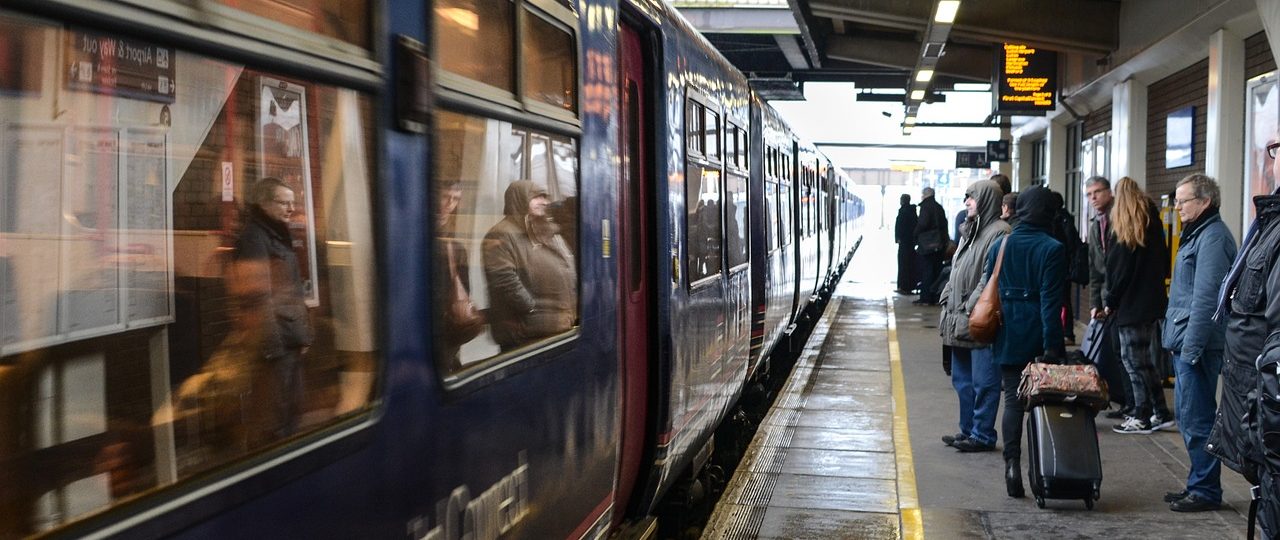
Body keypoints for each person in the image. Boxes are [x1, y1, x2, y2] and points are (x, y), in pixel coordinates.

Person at [1208, 138, 1280, 537]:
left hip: (1268, 417)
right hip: (1261, 419)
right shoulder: (1269, 223)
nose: (1271, 158)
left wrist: (1261, 423)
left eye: (1276, 147)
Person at [1160, 174, 1236, 512]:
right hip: (1188, 340)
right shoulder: (1200, 234)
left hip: (1199, 345)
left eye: (1183, 200)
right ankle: (1198, 484)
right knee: (1189, 417)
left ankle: (1205, 490)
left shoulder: (1213, 238)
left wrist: (1190, 350)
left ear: (1204, 202)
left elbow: (1207, 299)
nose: (1177, 206)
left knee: (1197, 419)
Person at [984, 186, 1065, 498]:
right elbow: (1050, 303)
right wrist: (1052, 347)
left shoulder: (1000, 245)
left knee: (1012, 401)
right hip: (1035, 334)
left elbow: (990, 287)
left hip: (1005, 332)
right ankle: (1039, 470)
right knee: (1040, 406)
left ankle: (1011, 466)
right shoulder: (1052, 248)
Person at [231, 177, 313, 440]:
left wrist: (304, 335)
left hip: (289, 340)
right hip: (276, 346)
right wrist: (272, 350)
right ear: (264, 203)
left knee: (290, 414)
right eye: (284, 203)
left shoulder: (276, 234)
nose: (291, 209)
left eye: (292, 203)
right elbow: (256, 298)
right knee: (274, 422)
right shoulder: (255, 238)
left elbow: (291, 292)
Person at [938, 180, 1009, 453]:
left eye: (972, 198)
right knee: (962, 380)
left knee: (984, 381)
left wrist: (970, 306)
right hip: (958, 318)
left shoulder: (999, 233)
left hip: (979, 318)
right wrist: (947, 295)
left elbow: (991, 275)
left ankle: (982, 434)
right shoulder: (971, 231)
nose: (966, 202)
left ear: (986, 201)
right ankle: (967, 429)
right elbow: (957, 268)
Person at [1104, 177, 1173, 434]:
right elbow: (1165, 264)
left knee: (1132, 361)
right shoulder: (1152, 223)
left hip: (1131, 305)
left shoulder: (1125, 232)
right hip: (1151, 302)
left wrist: (1110, 300)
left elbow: (1120, 273)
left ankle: (1141, 415)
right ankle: (1160, 412)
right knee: (1145, 360)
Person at [483, 180, 577, 352]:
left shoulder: (545, 230)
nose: (544, 202)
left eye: (545, 197)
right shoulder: (503, 233)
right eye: (536, 197)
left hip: (555, 331)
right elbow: (504, 279)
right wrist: (531, 309)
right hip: (525, 335)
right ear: (518, 199)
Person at [1085, 176, 1132, 420]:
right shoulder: (1095, 225)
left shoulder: (1121, 219)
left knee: (1128, 354)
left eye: (1097, 192)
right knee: (1114, 352)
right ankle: (1123, 400)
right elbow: (1095, 271)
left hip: (1123, 299)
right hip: (1106, 299)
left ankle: (1132, 403)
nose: (1093, 197)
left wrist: (1110, 301)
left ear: (1109, 193)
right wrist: (1095, 303)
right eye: (1089, 194)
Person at [435, 181, 485, 368]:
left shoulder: (455, 247)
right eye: (444, 196)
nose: (449, 204)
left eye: (455, 199)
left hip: (446, 335)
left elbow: (465, 290)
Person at [1047, 190, 1085, 344]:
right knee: (1064, 300)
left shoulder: (1058, 219)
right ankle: (1067, 333)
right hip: (1065, 267)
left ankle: (1067, 332)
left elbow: (1067, 243)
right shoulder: (1065, 217)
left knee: (1062, 301)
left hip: (1061, 267)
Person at [914, 186, 948, 305]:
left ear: (924, 195)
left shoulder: (925, 207)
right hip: (939, 244)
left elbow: (923, 223)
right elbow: (944, 224)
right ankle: (935, 297)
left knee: (927, 271)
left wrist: (915, 234)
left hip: (927, 245)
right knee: (937, 271)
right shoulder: (939, 207)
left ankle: (926, 298)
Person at [895, 194, 919, 294]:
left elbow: (899, 227)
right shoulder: (913, 212)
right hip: (911, 243)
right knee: (910, 265)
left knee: (903, 264)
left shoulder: (903, 211)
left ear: (903, 201)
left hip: (904, 243)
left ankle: (903, 286)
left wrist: (898, 238)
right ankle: (908, 286)